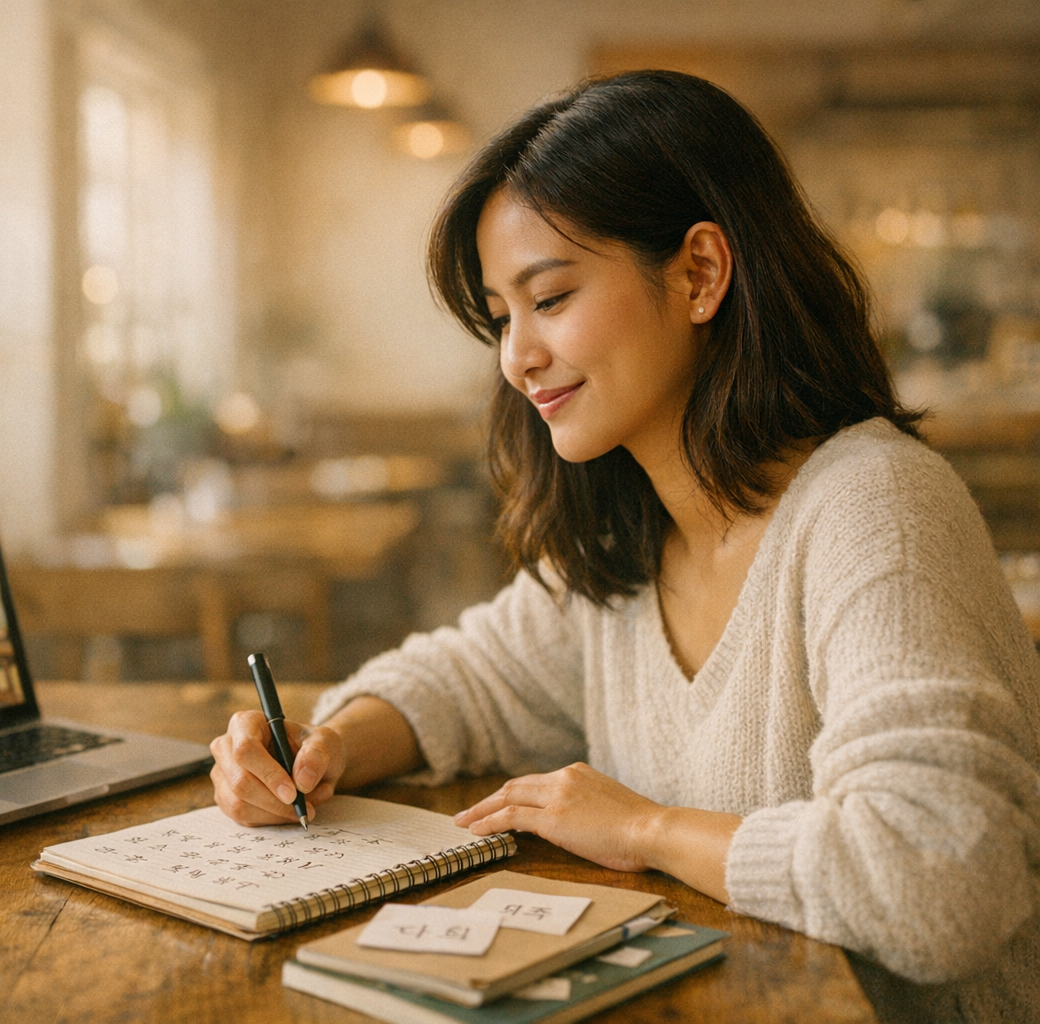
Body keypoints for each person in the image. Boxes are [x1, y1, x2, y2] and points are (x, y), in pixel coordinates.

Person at [209, 71, 1040, 1021]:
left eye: (551, 297)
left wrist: (646, 829)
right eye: (501, 317)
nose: (516, 357)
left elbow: (939, 882)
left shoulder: (874, 509)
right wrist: (320, 750)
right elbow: (469, 679)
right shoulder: (629, 533)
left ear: (700, 274)